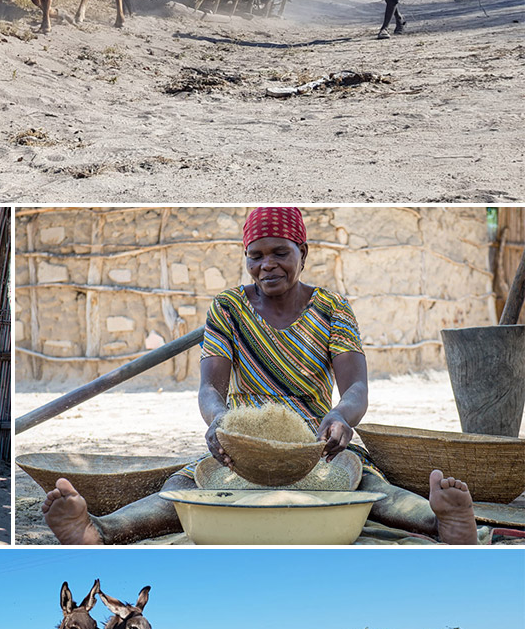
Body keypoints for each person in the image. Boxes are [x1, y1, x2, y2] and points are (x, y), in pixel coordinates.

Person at [42, 207, 480, 547]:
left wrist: (342, 417)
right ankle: (99, 529)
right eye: (256, 255)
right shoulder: (228, 309)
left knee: (369, 488)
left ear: (303, 254)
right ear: (246, 258)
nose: (267, 265)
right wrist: (219, 422)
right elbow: (211, 388)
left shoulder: (332, 308)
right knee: (182, 490)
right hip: (244, 448)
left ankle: (439, 520)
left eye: (280, 253)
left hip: (317, 446)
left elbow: (357, 387)